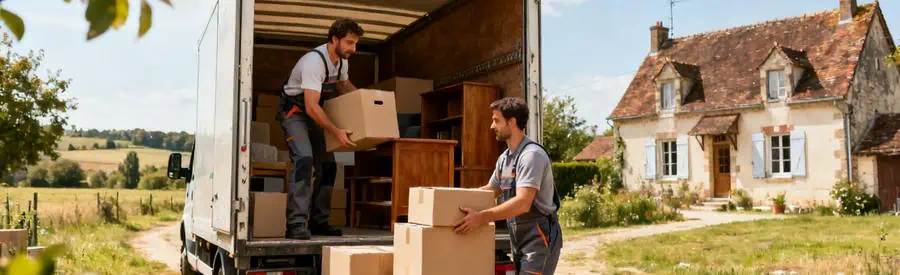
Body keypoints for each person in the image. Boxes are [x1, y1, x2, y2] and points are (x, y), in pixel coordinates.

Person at [454, 97, 563, 274]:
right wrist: (452, 197)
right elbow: (491, 190)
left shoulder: (531, 156)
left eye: (496, 120)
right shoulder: (505, 158)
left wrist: (481, 217)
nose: (492, 126)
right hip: (518, 235)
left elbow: (523, 202)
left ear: (512, 122)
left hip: (539, 236)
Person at [278, 19, 363, 240]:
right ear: (334, 39)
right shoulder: (314, 62)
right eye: (349, 43)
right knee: (305, 159)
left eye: (355, 43)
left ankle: (319, 221)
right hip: (295, 113)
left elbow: (343, 85)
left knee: (328, 166)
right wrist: (335, 131)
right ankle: (296, 223)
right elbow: (311, 105)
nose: (353, 49)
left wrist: (366, 101)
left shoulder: (342, 62)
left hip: (313, 113)